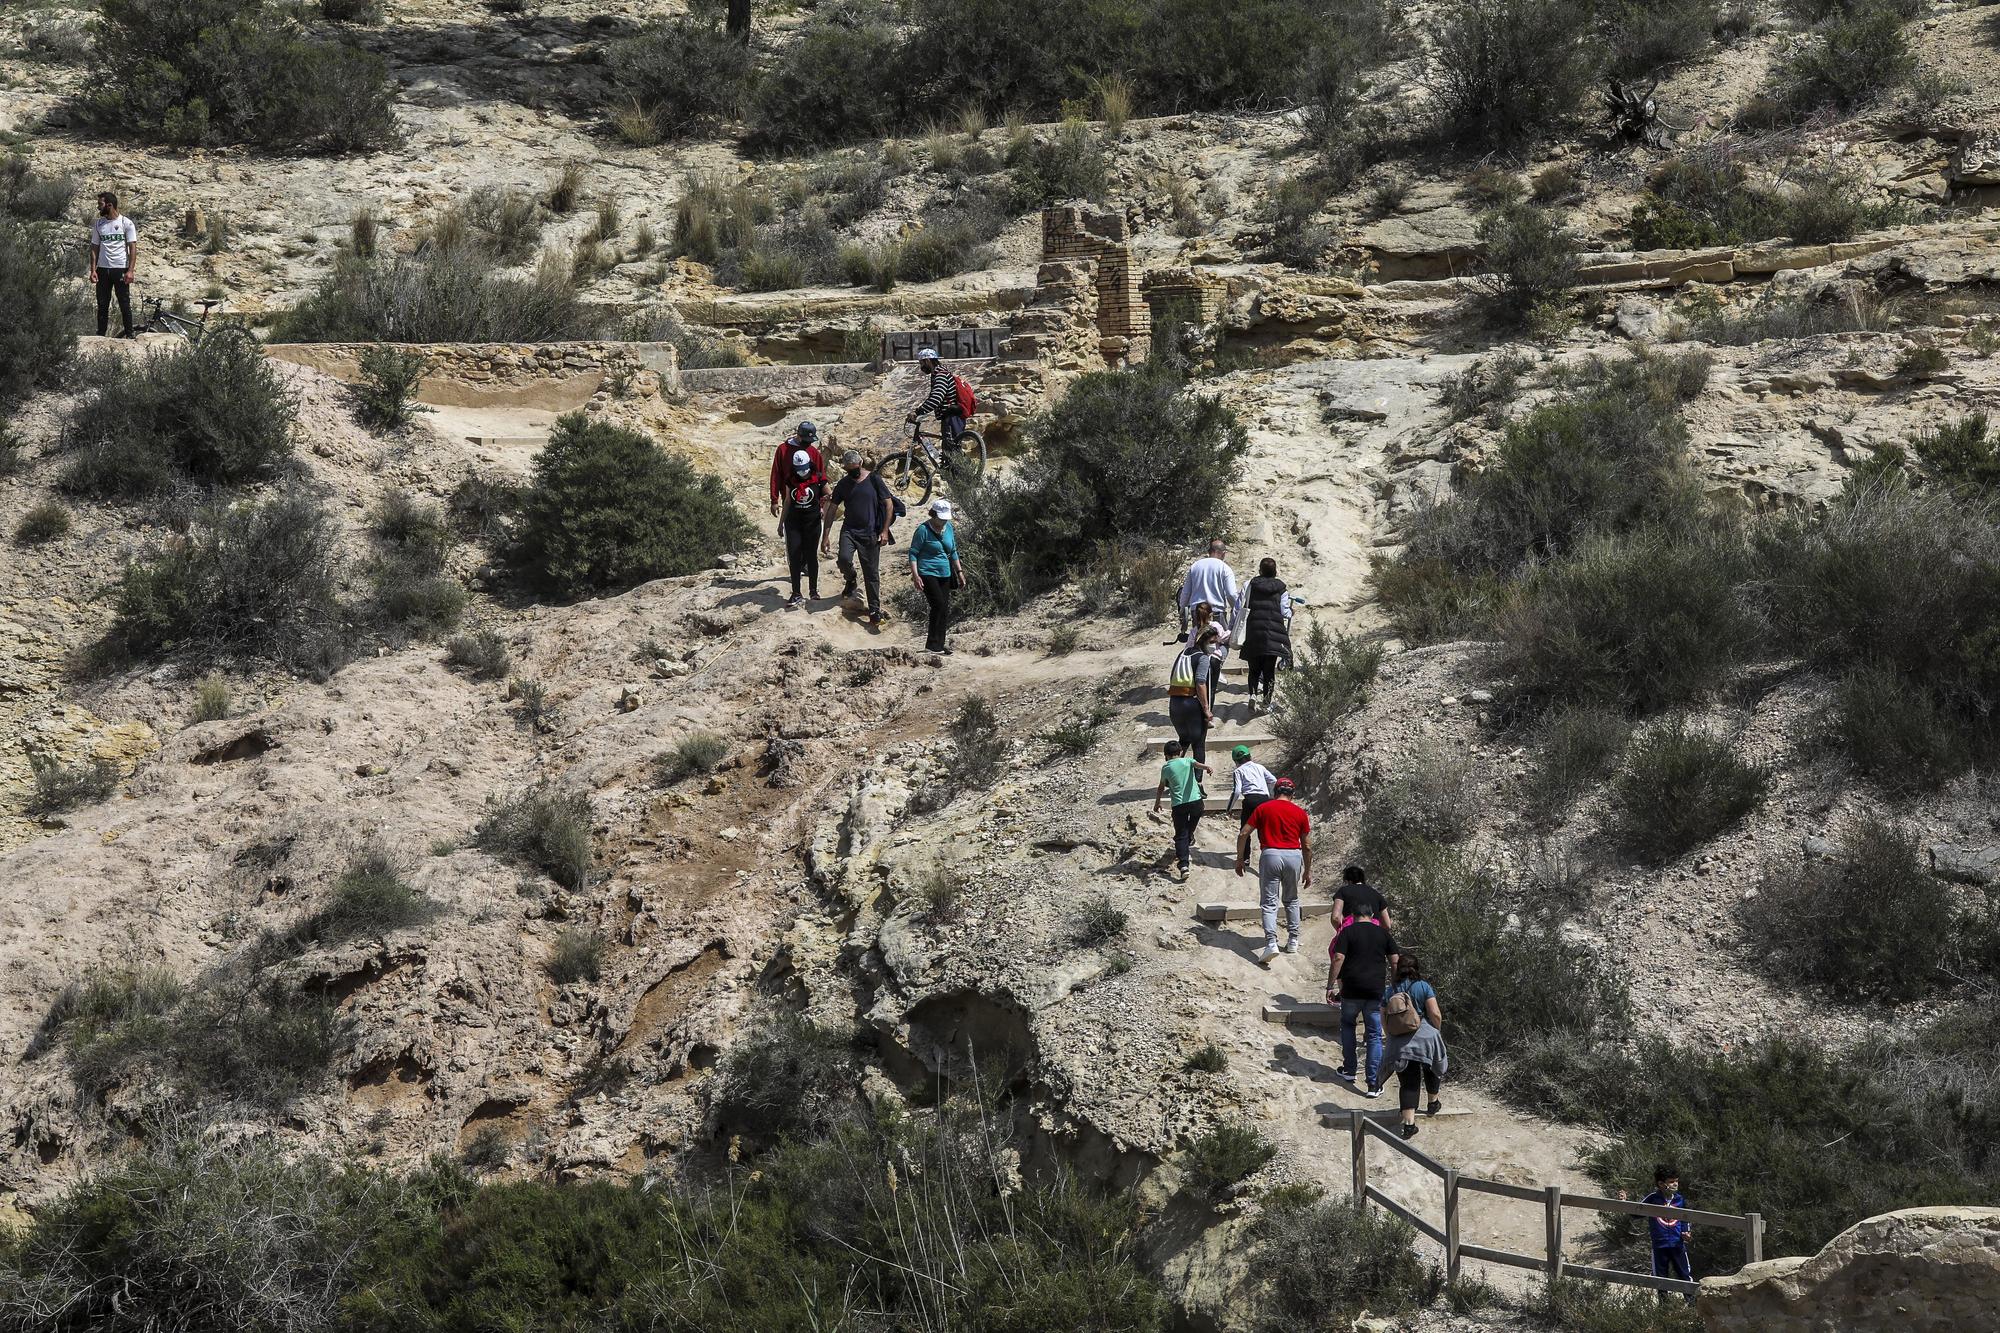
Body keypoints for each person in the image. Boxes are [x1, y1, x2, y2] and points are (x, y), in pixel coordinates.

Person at [1234, 775, 1312, 964]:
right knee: (1292, 899)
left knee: (1269, 903)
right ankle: (1293, 940)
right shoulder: (1300, 813)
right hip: (1293, 855)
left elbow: (1244, 833)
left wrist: (1239, 859)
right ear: (1292, 794)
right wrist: (1307, 871)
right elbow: (1307, 846)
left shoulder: (1263, 808)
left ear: (1275, 792)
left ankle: (1271, 942)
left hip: (1270, 854)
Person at [1327, 905, 1400, 1097]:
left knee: (1348, 1026)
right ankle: (1373, 1084)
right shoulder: (1382, 934)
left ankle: (1350, 1070)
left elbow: (1338, 958)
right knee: (1375, 1035)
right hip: (1375, 991)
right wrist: (1394, 985)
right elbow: (1395, 960)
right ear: (1372, 915)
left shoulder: (1347, 932)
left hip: (1350, 990)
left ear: (1353, 915)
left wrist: (1330, 985)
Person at [824, 449, 893, 626]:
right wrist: (825, 535)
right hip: (849, 530)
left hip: (870, 533)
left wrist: (884, 531)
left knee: (871, 574)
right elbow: (832, 509)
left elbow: (888, 504)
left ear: (860, 464)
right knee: (844, 559)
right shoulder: (843, 484)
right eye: (849, 470)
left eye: (854, 468)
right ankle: (851, 579)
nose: (852, 472)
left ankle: (875, 611)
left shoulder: (874, 479)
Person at [1383, 953, 1446, 1139]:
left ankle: (1409, 1124)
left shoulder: (1389, 991)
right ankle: (1433, 1102)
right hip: (1425, 1036)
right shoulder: (1423, 986)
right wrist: (1436, 1031)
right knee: (1431, 1067)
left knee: (1408, 1081)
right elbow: (1435, 1013)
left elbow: (1383, 1018)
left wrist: (1391, 1037)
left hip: (1399, 1041)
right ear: (1416, 968)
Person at [908, 498, 965, 654]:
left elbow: (953, 551)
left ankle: (939, 644)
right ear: (933, 514)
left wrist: (959, 572)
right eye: (941, 518)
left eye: (946, 518)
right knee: (938, 604)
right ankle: (932, 645)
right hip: (927, 572)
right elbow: (913, 554)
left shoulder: (949, 528)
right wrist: (916, 575)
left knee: (944, 608)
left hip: (945, 573)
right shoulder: (923, 530)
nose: (944, 521)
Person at [1237, 557, 1293, 713]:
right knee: (1269, 671)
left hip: (1253, 631)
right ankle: (1266, 702)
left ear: (1260, 570)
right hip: (1273, 633)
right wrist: (1291, 612)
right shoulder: (1281, 588)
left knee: (1254, 669)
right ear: (1275, 571)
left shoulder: (1250, 585)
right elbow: (1284, 611)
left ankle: (1253, 695)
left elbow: (1242, 605)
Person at [1151, 741, 1210, 881]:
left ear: (1166, 755)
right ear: (1180, 752)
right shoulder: (1187, 761)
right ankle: (1190, 835)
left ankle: (1184, 865)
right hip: (1196, 802)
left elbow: (1161, 787)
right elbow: (1197, 764)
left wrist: (1157, 803)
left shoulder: (1166, 768)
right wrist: (1207, 767)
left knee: (1180, 835)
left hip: (1179, 806)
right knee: (1192, 823)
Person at [777, 448, 828, 606]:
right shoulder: (790, 479)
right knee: (794, 556)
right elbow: (787, 502)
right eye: (798, 470)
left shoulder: (819, 478)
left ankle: (813, 591)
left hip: (812, 522)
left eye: (803, 469)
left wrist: (822, 509)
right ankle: (796, 593)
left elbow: (829, 496)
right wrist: (781, 523)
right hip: (793, 523)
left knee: (811, 555)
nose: (801, 472)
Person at [88, 191, 138, 339]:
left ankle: (130, 334)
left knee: (124, 303)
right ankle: (100, 334)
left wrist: (130, 271)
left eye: (100, 205)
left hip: (120, 269)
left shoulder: (126, 223)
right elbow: (94, 248)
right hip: (103, 270)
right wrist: (93, 270)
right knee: (102, 304)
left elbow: (132, 247)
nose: (98, 208)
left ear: (109, 205)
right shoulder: (98, 224)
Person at [1643, 1165, 1696, 1301]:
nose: (1675, 1184)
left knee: (1684, 1275)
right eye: (1671, 1182)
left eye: (1676, 1181)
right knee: (1661, 1279)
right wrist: (1623, 1202)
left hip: (1677, 1244)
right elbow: (1636, 1212)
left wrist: (1686, 1231)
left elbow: (1685, 1218)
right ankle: (1664, 1310)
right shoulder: (1653, 1198)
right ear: (1661, 1184)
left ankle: (1692, 1305)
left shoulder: (1679, 1199)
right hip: (1659, 1245)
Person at [1167, 627, 1220, 763]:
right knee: (1198, 744)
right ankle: (1198, 782)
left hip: (1174, 704)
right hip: (1191, 705)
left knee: (1183, 741)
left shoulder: (1182, 653)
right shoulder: (1203, 658)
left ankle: (1173, 775)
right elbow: (1200, 683)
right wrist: (1206, 709)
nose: (1215, 645)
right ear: (1204, 641)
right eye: (1213, 641)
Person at [1176, 538, 1238, 645]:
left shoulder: (1195, 566)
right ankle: (1215, 661)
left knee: (1200, 643)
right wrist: (1236, 609)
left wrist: (1182, 609)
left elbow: (1186, 592)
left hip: (1197, 613)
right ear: (1222, 553)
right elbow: (1231, 594)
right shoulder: (1224, 568)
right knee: (1219, 644)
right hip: (1216, 613)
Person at [904, 347, 967, 448]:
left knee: (952, 452)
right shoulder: (938, 373)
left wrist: (918, 412)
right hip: (950, 416)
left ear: (928, 361)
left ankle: (965, 464)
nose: (921, 367)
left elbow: (936, 399)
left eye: (922, 363)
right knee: (950, 451)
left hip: (952, 417)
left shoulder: (940, 375)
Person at [769, 420, 823, 516]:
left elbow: (821, 477)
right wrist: (774, 500)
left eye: (810, 440)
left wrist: (821, 504)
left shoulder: (813, 452)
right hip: (789, 500)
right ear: (798, 436)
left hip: (811, 500)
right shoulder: (783, 450)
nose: (808, 443)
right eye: (806, 440)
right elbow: (776, 475)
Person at [1224, 744, 1275, 825]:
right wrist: (1271, 796)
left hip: (1250, 800)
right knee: (1265, 828)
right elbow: (1273, 780)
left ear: (1235, 761)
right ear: (1250, 756)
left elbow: (1236, 791)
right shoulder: (1260, 767)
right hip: (1265, 800)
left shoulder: (1238, 771)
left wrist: (1229, 809)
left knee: (1245, 831)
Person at [1332, 865, 1392, 930]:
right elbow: (1387, 925)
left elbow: (1336, 918)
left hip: (1352, 931)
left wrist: (1342, 932)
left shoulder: (1343, 891)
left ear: (1348, 881)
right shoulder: (1377, 894)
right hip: (1374, 933)